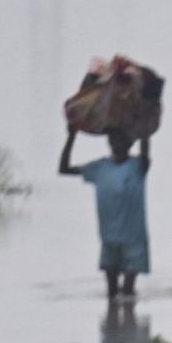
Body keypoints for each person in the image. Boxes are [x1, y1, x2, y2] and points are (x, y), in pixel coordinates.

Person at [62, 126, 152, 300]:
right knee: (111, 293)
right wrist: (71, 136)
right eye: (114, 139)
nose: (118, 143)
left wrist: (143, 126)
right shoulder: (99, 167)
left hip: (134, 240)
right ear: (108, 142)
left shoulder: (138, 166)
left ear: (130, 143)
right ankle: (113, 324)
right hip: (109, 238)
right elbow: (64, 168)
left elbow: (145, 146)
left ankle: (129, 322)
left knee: (127, 293)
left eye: (122, 140)